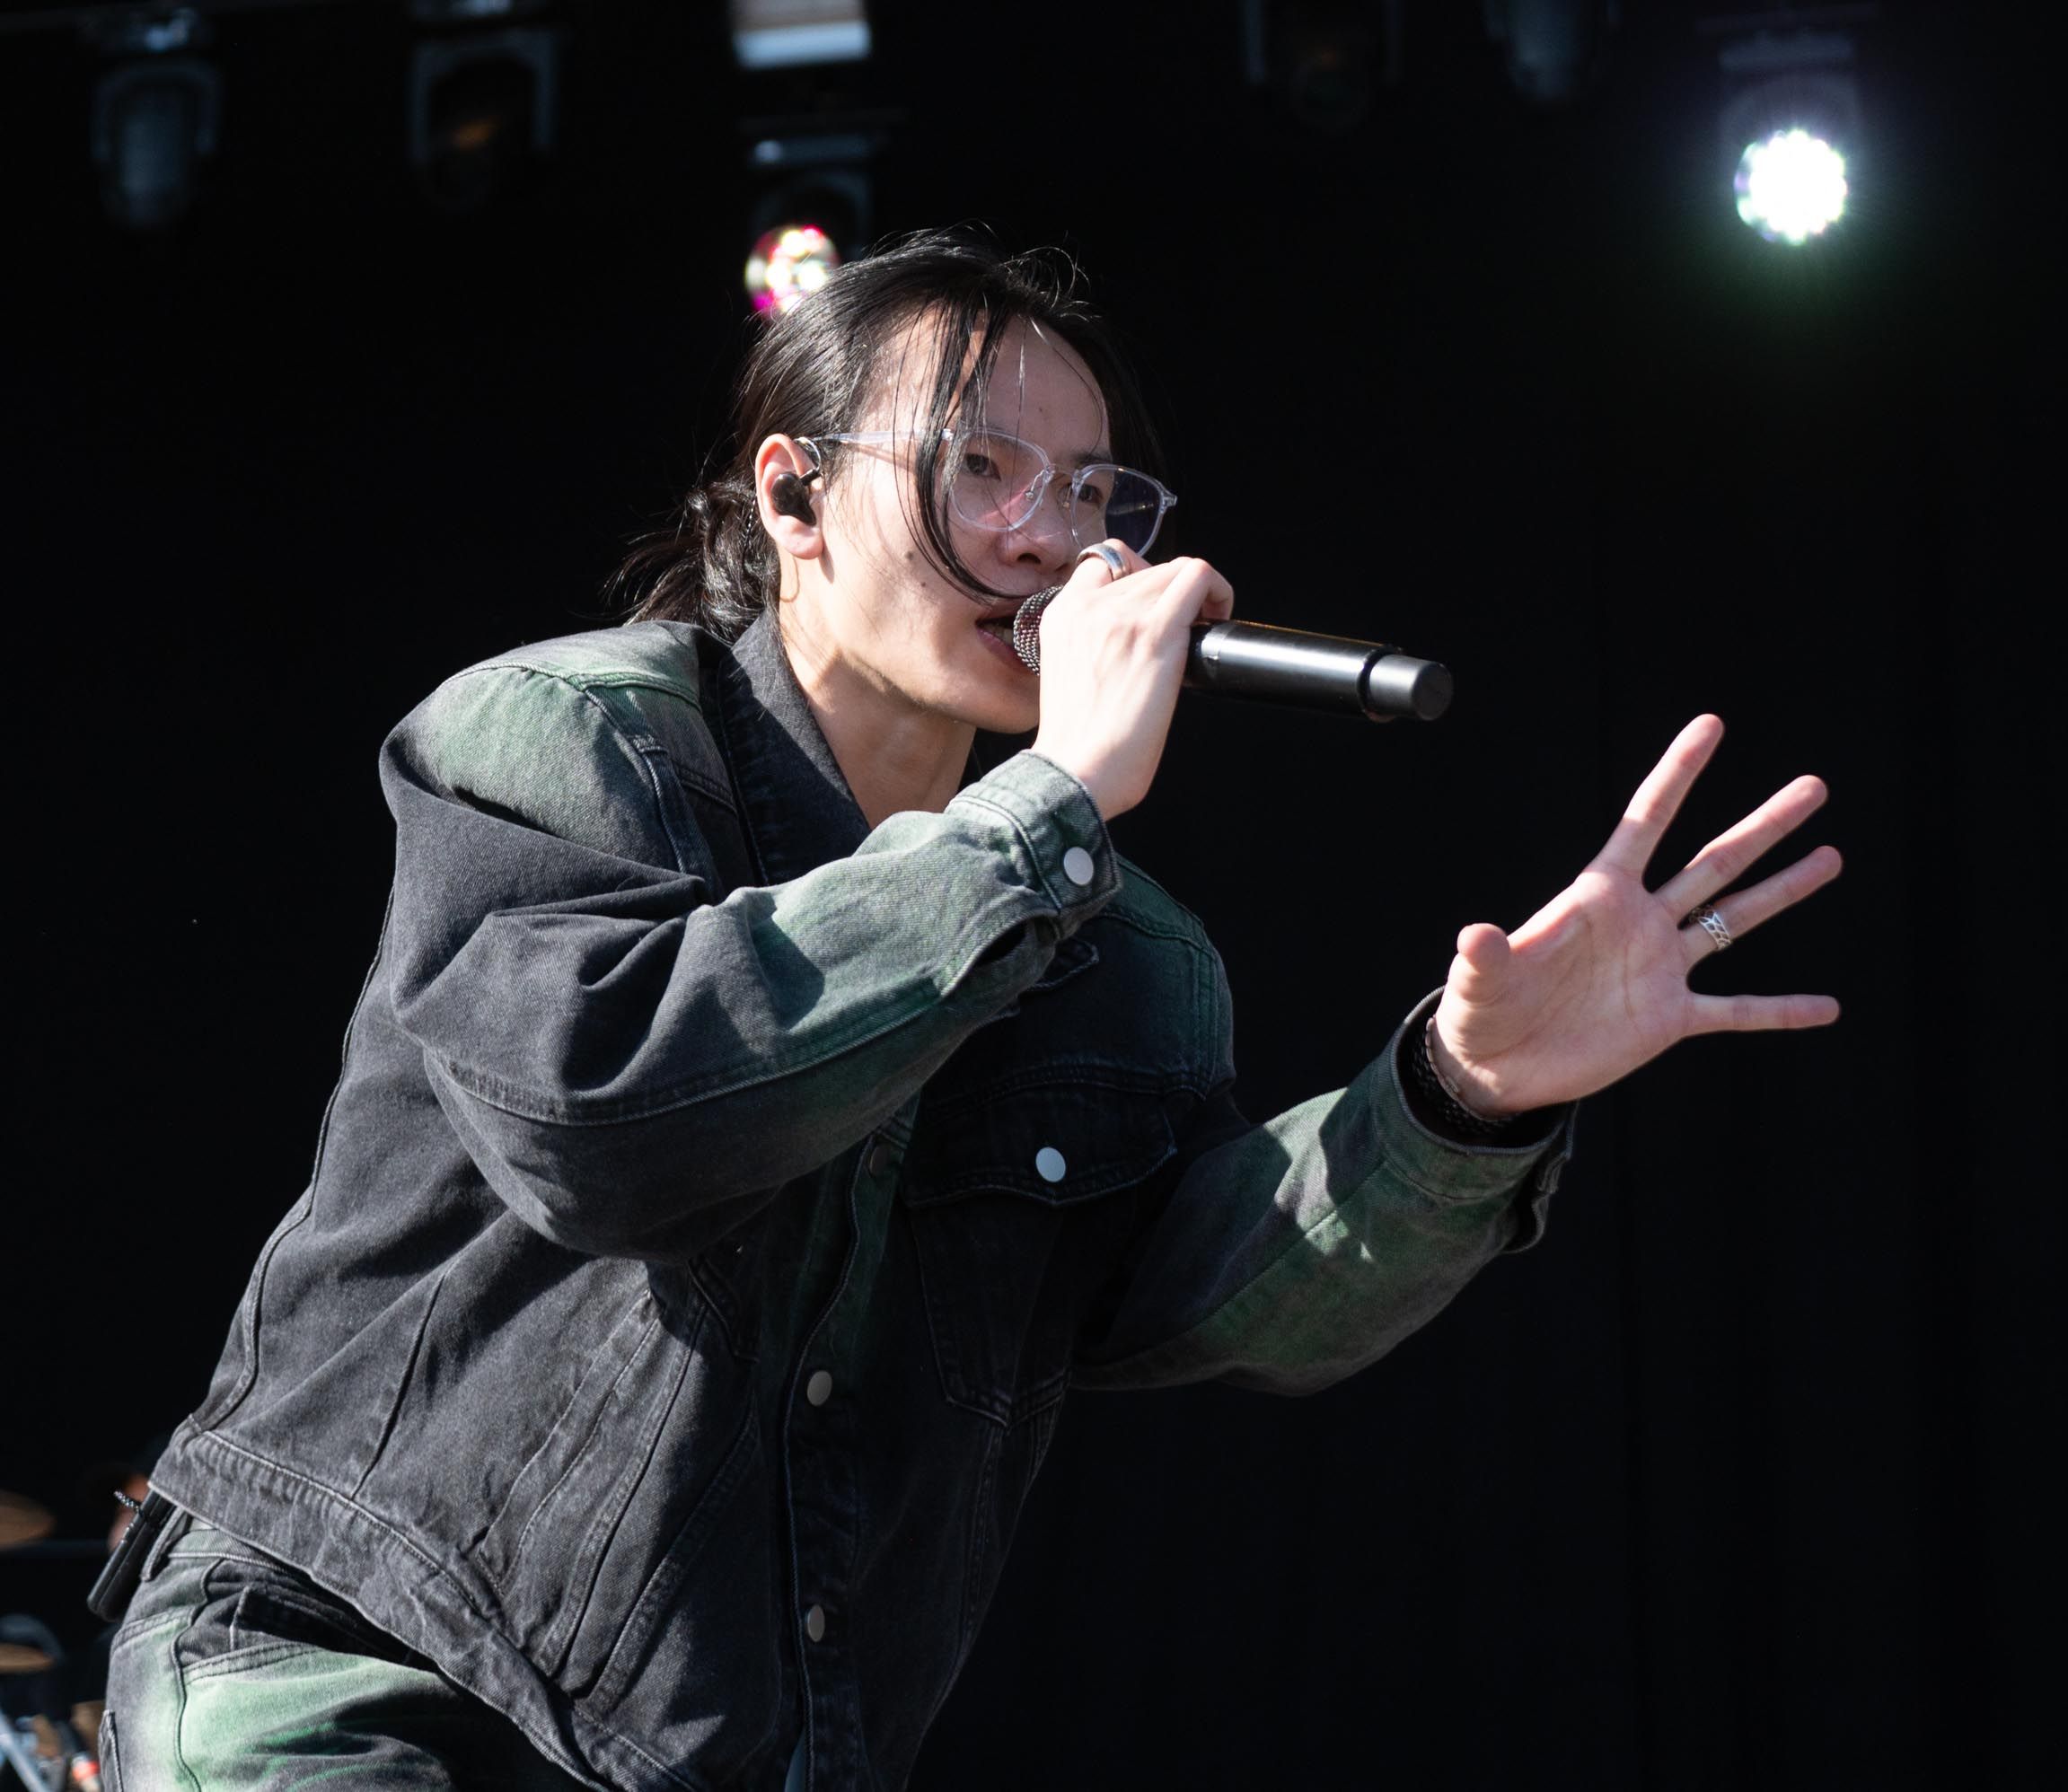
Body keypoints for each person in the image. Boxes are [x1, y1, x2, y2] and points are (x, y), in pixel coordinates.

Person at [92, 230, 1842, 1791]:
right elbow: (609, 1127)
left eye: (1095, 494)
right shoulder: (573, 741)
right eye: (980, 467)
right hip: (353, 1664)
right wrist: (1057, 800)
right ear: (791, 498)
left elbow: (1204, 1302)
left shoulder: (1119, 945)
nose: (1052, 537)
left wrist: (1462, 1097)